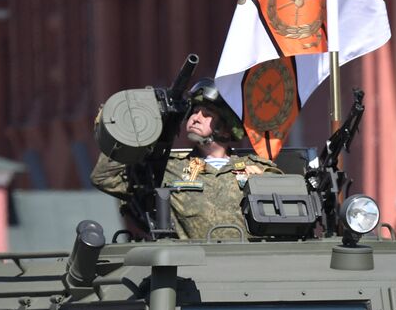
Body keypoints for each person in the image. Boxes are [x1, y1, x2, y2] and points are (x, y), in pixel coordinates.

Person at [90, 79, 282, 241]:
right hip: (189, 273)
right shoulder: (167, 167)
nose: (195, 118)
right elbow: (104, 178)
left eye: (206, 115)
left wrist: (264, 183)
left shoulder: (256, 168)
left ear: (225, 128)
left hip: (249, 268)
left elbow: (286, 203)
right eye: (194, 112)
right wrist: (134, 127)